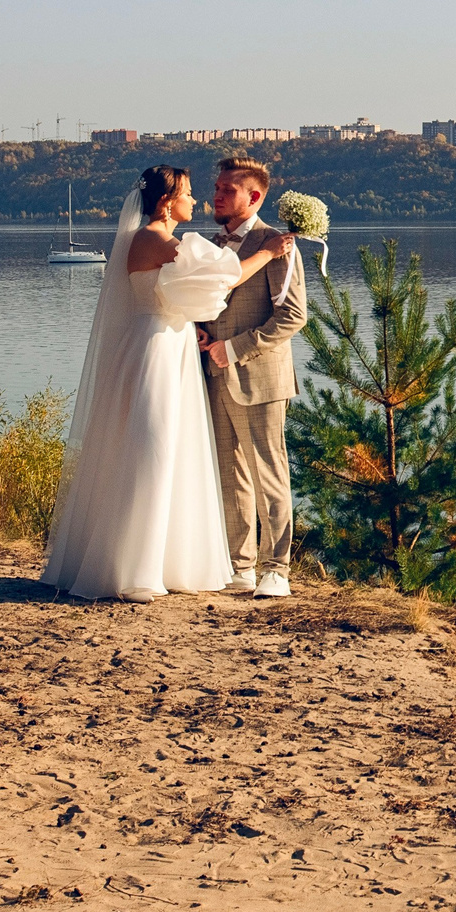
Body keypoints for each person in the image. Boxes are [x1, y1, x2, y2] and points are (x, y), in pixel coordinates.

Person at [42, 165, 295, 603]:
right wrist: (269, 253)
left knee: (171, 453)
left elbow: (184, 295)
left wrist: (196, 327)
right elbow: (224, 278)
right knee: (153, 450)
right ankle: (137, 566)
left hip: (171, 345)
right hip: (157, 353)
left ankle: (175, 561)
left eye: (215, 190)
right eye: (192, 193)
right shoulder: (159, 240)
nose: (198, 200)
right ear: (166, 201)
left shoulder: (155, 241)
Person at [194, 156, 307, 598]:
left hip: (259, 376)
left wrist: (233, 348)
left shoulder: (276, 243)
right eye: (217, 187)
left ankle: (276, 569)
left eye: (227, 189)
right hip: (212, 375)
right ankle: (240, 566)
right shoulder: (208, 244)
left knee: (269, 473)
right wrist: (201, 333)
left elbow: (294, 316)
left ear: (254, 196)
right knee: (229, 473)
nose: (216, 195)